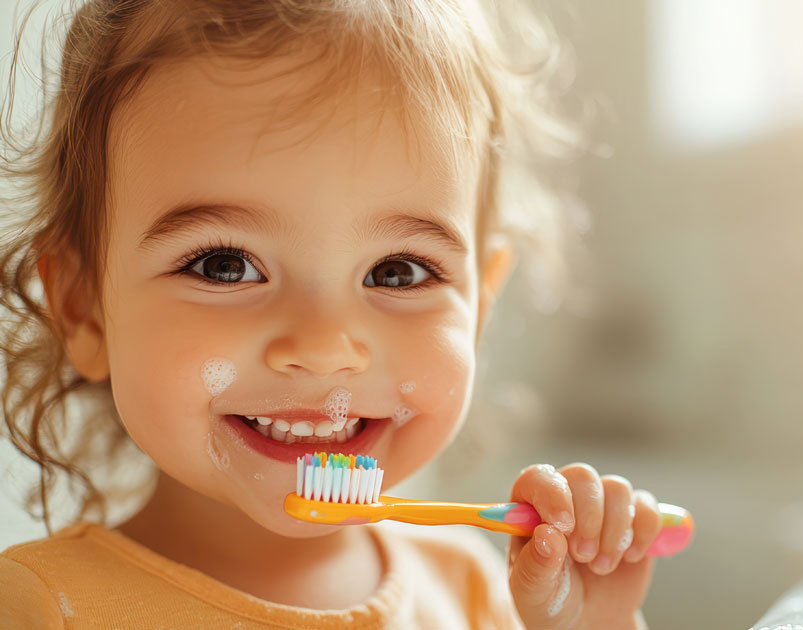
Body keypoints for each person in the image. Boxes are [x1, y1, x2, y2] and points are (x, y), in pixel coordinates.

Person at [0, 1, 665, 628]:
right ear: (84, 309)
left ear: (479, 306)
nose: (323, 347)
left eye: (397, 272)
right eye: (224, 265)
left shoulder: (476, 592)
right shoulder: (40, 607)